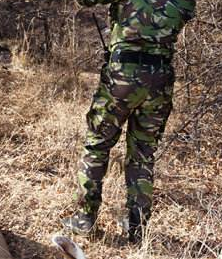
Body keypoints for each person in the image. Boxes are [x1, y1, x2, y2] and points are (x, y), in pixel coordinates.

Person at [62, 0, 196, 243]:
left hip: (122, 75)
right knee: (143, 153)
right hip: (160, 79)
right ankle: (136, 227)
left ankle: (85, 218)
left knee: (97, 144)